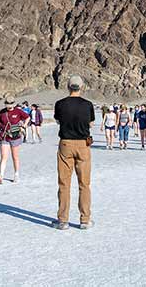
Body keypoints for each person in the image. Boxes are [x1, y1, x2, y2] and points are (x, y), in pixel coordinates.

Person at [52, 75, 95, 230]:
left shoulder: (60, 104)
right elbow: (90, 123)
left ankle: (63, 220)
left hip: (66, 144)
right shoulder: (88, 105)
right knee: (84, 184)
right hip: (83, 145)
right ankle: (85, 219)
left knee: (64, 183)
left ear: (68, 86)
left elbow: (58, 120)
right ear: (81, 87)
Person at [0, 98, 30, 183]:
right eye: (8, 105)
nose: (9, 107)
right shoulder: (2, 112)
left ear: (13, 104)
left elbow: (27, 117)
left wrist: (24, 125)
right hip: (4, 136)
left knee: (15, 157)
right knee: (4, 157)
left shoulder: (18, 111)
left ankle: (16, 174)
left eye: (10, 105)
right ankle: (1, 175)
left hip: (15, 137)